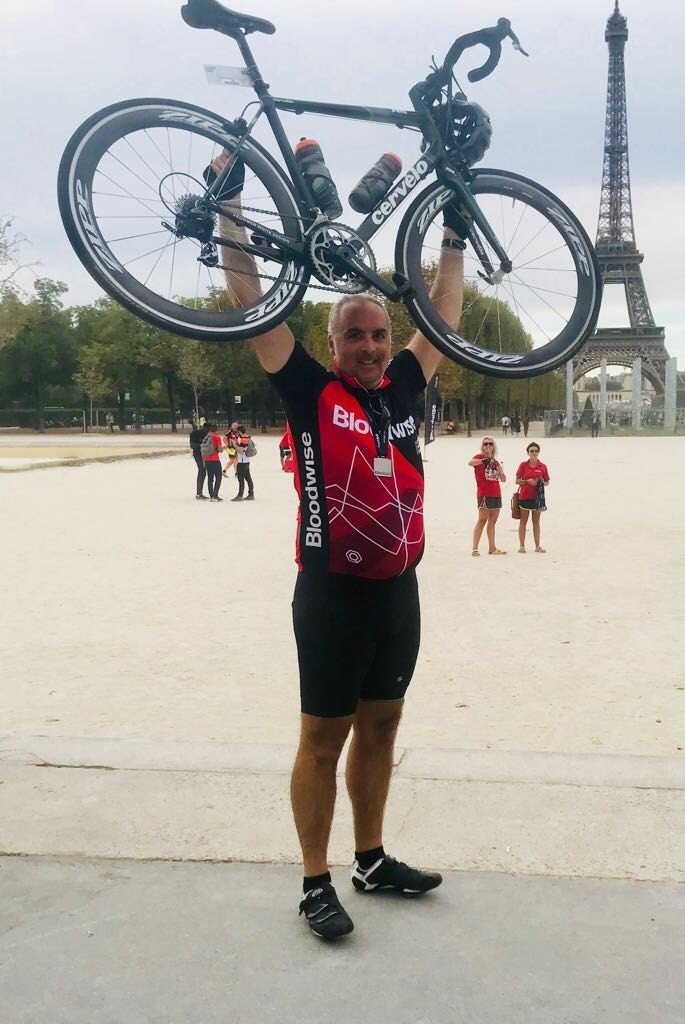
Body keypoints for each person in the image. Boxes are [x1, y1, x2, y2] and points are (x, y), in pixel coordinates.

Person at [209, 148, 464, 940]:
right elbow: (250, 299)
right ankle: (315, 880)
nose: (370, 344)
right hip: (329, 589)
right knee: (324, 735)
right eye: (355, 333)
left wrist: (455, 226)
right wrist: (228, 205)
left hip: (400, 588)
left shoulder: (403, 390)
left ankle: (372, 857)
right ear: (334, 338)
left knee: (384, 724)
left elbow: (446, 319)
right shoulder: (309, 387)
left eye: (379, 333)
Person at [468, 437, 507, 555]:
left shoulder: (495, 461)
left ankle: (492, 547)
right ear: (483, 446)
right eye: (485, 444)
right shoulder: (480, 457)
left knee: (492, 521)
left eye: (490, 444)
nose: (488, 446)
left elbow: (503, 479)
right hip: (484, 493)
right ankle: (475, 548)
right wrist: (483, 460)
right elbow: (470, 462)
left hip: (496, 493)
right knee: (482, 519)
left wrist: (500, 471)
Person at [515, 442, 550, 553]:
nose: (534, 453)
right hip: (524, 496)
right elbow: (517, 480)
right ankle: (521, 546)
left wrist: (540, 482)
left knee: (536, 522)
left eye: (536, 451)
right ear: (528, 453)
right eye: (532, 451)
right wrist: (527, 481)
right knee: (523, 522)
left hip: (538, 498)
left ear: (538, 452)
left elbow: (547, 482)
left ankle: (537, 546)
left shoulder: (543, 466)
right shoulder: (523, 465)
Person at [201, 422, 224, 501]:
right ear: (216, 430)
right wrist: (224, 448)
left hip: (207, 460)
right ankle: (215, 495)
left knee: (210, 478)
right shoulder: (217, 437)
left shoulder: (206, 437)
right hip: (215, 460)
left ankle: (211, 496)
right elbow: (220, 450)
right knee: (218, 477)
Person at [232, 433, 256, 501]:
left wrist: (234, 444)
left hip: (242, 462)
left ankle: (240, 495)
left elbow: (241, 451)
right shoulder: (248, 438)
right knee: (248, 478)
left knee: (241, 479)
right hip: (246, 461)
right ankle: (251, 494)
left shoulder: (244, 439)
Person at [189, 421, 209, 500]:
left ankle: (200, 492)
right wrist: (203, 445)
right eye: (206, 429)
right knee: (202, 470)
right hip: (198, 454)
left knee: (204, 472)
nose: (207, 431)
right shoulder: (194, 433)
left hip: (206, 455)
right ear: (203, 427)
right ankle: (199, 493)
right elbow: (192, 445)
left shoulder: (209, 435)